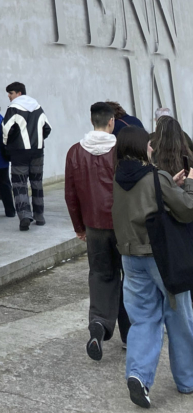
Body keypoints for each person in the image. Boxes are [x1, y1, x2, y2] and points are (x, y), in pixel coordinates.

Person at [113, 123, 193, 408]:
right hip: (160, 256)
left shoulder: (119, 179)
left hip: (130, 258)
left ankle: (138, 375)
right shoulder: (155, 177)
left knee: (144, 319)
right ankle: (187, 380)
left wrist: (172, 184)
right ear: (138, 147)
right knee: (179, 317)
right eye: (147, 144)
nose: (152, 147)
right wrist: (189, 184)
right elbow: (187, 209)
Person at [64, 101, 129, 360]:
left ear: (92, 121)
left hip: (94, 225)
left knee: (101, 275)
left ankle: (99, 325)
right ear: (111, 121)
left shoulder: (75, 152)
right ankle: (129, 334)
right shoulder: (122, 150)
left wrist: (79, 226)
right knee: (131, 279)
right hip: (124, 225)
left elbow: (70, 194)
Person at [2, 82, 51, 230]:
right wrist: (38, 140)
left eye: (10, 93)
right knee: (37, 183)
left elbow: (6, 130)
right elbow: (48, 128)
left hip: (19, 153)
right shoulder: (38, 107)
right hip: (37, 152)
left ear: (18, 93)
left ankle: (24, 216)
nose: (9, 97)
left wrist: (7, 145)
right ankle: (39, 216)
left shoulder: (13, 109)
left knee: (19, 184)